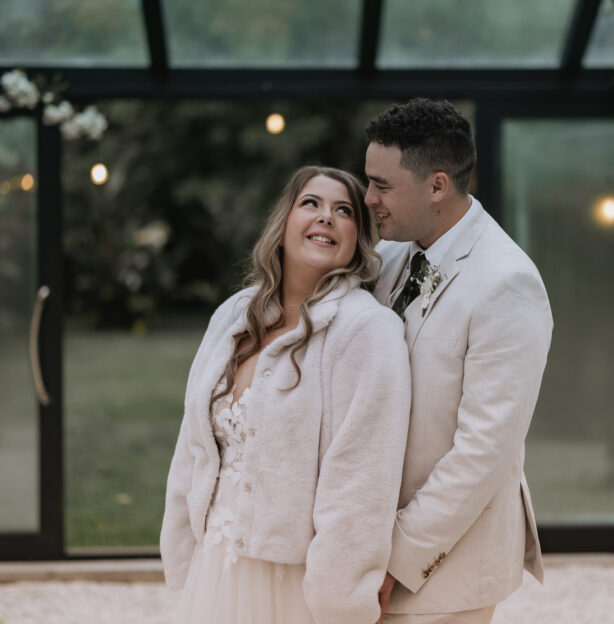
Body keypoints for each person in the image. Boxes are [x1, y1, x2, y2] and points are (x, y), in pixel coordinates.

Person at [160, 166, 411, 624]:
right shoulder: (234, 315)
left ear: (358, 237)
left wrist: (342, 594)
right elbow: (192, 446)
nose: (326, 218)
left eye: (344, 211)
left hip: (296, 580)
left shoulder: (367, 330)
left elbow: (361, 477)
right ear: (283, 223)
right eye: (311, 203)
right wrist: (179, 550)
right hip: (213, 564)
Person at [364, 98, 553, 623]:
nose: (368, 197)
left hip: (442, 568)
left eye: (382, 185)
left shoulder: (507, 283)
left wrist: (394, 561)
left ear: (438, 185)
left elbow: (484, 451)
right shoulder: (395, 254)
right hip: (366, 547)